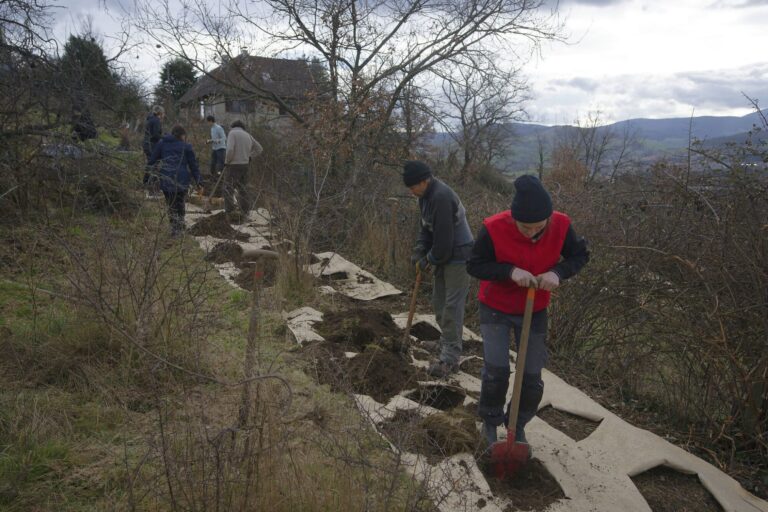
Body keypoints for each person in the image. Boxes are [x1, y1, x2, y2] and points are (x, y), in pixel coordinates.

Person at [466, 174, 589, 448]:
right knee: (497, 371)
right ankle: (489, 421)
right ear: (514, 218)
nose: (531, 232)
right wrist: (509, 271)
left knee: (532, 378)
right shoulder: (493, 228)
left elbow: (580, 256)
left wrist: (559, 272)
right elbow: (474, 265)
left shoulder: (562, 225)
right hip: (496, 306)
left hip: (535, 309)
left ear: (548, 219)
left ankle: (516, 425)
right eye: (525, 227)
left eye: (538, 227)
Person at [404, 160, 474, 378]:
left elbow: (443, 243)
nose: (411, 191)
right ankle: (445, 340)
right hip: (444, 254)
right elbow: (426, 229)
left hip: (459, 256)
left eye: (413, 186)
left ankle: (450, 358)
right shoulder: (424, 197)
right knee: (439, 301)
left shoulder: (441, 197)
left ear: (425, 181)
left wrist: (428, 260)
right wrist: (419, 251)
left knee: (452, 307)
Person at [148, 125, 202, 236]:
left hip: (166, 177)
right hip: (182, 179)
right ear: (182, 135)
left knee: (170, 204)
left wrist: (147, 176)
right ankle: (180, 224)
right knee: (180, 201)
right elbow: (193, 165)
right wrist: (199, 181)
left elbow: (152, 160)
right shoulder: (186, 146)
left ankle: (175, 228)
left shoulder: (161, 143)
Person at [223, 120, 263, 220]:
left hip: (233, 165)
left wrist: (227, 161)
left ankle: (230, 211)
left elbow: (230, 150)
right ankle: (245, 211)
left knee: (228, 188)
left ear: (233, 126)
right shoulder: (247, 135)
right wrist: (250, 157)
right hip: (245, 165)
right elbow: (259, 149)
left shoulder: (232, 133)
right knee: (243, 189)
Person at [142, 105, 165, 190]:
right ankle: (152, 185)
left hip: (147, 144)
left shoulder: (151, 119)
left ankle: (146, 182)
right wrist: (164, 138)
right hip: (150, 145)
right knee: (154, 164)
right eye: (163, 113)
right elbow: (155, 135)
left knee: (151, 163)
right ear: (160, 113)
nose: (164, 115)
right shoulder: (156, 121)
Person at [206, 115, 227, 181]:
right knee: (213, 163)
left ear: (211, 121)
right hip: (214, 148)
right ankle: (213, 176)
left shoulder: (219, 128)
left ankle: (220, 177)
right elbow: (214, 139)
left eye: (208, 122)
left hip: (221, 148)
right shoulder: (212, 128)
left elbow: (224, 137)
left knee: (220, 163)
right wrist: (209, 140)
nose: (207, 124)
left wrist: (218, 140)